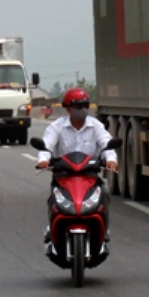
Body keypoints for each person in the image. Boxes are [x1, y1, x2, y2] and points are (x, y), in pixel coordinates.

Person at [36, 87, 118, 242]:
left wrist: (111, 160)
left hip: (89, 175)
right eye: (78, 107)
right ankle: (51, 230)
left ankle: (104, 233)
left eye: (85, 106)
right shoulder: (57, 126)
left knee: (104, 194)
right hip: (63, 176)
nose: (83, 110)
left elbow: (106, 143)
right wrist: (43, 160)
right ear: (68, 109)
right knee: (53, 198)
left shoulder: (96, 126)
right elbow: (47, 145)